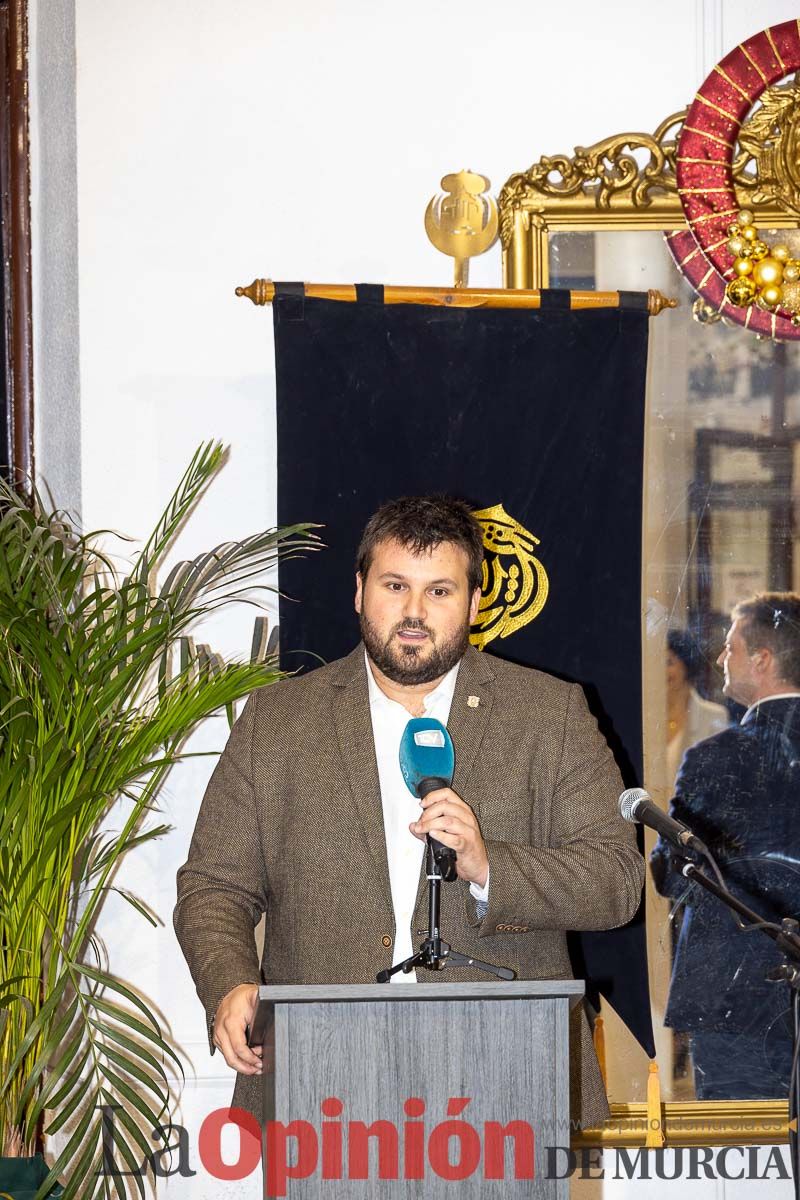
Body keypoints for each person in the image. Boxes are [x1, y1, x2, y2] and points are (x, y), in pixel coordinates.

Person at [174, 495, 644, 1129]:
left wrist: (487, 867)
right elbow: (213, 886)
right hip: (324, 1074)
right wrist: (229, 985)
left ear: (476, 604)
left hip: (504, 1074)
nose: (415, 613)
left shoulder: (549, 714)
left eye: (441, 591)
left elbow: (615, 881)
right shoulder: (278, 723)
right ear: (360, 590)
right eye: (396, 586)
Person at [651, 592, 800, 1099]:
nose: (720, 660)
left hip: (737, 1002)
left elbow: (672, 875)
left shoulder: (716, 758)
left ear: (763, 660)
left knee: (746, 1166)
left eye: (731, 647)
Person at [665, 628, 729, 788]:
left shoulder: (714, 716)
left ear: (687, 665)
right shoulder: (646, 715)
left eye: (669, 662)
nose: (661, 670)